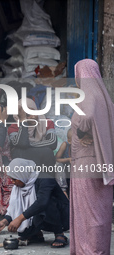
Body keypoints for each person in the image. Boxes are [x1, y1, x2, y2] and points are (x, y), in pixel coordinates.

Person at [70, 59, 114, 255]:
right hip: (101, 162)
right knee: (100, 213)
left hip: (85, 162)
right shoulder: (104, 98)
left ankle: (88, 251)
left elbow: (86, 117)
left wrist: (80, 133)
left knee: (87, 214)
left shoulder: (87, 95)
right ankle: (98, 250)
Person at [0, 158, 69, 248]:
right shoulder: (19, 187)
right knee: (25, 221)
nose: (13, 182)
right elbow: (14, 208)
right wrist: (4, 222)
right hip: (41, 214)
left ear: (22, 175)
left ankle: (59, 233)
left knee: (44, 202)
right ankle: (35, 235)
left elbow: (42, 203)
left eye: (14, 179)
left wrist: (19, 219)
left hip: (60, 215)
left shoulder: (45, 179)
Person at [8, 98, 57, 168]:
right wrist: (23, 121)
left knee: (47, 152)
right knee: (17, 151)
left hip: (42, 164)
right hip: (23, 165)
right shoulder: (13, 127)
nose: (33, 116)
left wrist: (28, 145)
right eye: (28, 115)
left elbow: (52, 143)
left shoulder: (47, 122)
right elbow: (22, 143)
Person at [55, 128, 72, 197]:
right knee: (59, 165)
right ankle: (63, 190)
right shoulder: (65, 145)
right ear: (69, 141)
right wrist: (68, 159)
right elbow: (56, 159)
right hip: (65, 168)